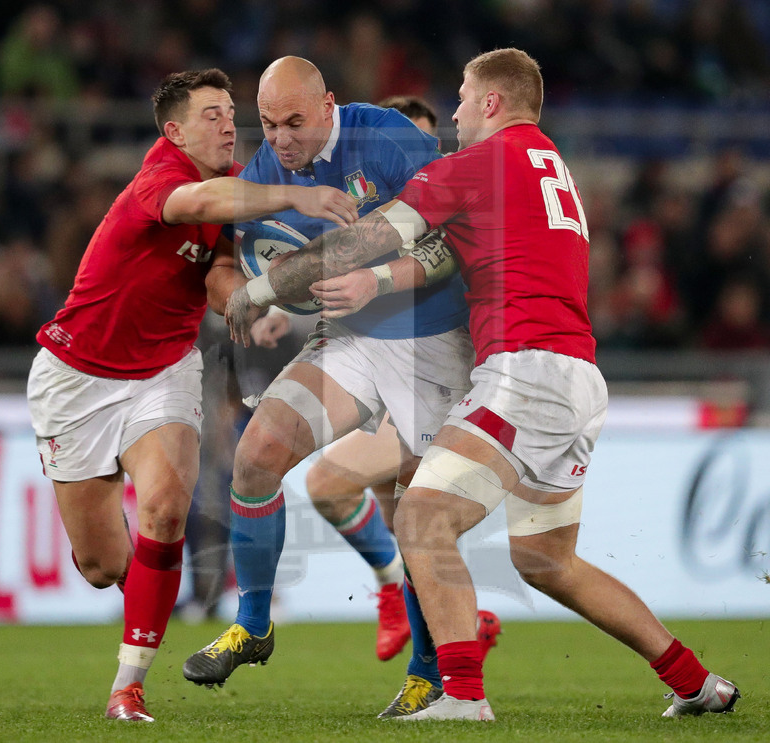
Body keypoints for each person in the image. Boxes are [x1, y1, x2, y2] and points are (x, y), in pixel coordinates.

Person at [221, 48, 742, 722]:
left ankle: (462, 694)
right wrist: (378, 286)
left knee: (420, 514)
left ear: (493, 102)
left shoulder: (480, 164)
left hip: (525, 372)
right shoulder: (547, 163)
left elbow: (367, 239)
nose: (456, 112)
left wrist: (262, 288)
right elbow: (439, 258)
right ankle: (696, 680)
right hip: (576, 376)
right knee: (547, 559)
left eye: (464, 97)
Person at [25, 67, 357, 723]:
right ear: (174, 131)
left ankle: (128, 689)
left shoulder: (229, 191)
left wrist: (245, 304)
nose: (228, 123)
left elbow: (219, 268)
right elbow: (197, 208)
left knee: (167, 509)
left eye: (231, 113)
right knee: (99, 565)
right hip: (77, 375)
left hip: (164, 370)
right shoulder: (163, 178)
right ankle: (147, 587)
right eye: (211, 114)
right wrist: (304, 199)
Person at [182, 56, 475, 704]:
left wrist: (376, 277)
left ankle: (429, 672)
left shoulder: (391, 139)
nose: (281, 139)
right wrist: (253, 301)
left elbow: (458, 242)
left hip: (432, 335)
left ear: (328, 106)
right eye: (267, 124)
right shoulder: (265, 172)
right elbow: (231, 265)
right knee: (256, 457)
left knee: (416, 509)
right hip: (350, 337)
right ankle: (252, 625)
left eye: (293, 123)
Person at [302, 91, 500, 666]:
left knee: (333, 486)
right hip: (390, 375)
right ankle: (456, 632)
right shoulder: (372, 220)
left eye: (423, 145)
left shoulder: (451, 216)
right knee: (404, 519)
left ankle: (408, 611)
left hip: (445, 379)